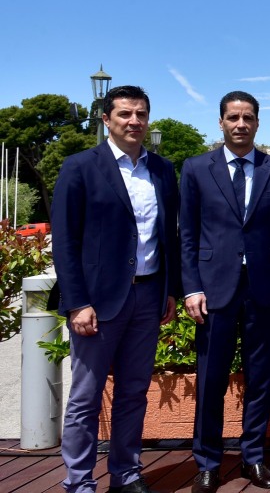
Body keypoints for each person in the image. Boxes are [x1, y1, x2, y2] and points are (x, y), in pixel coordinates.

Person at [52, 85, 180, 493]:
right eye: (124, 114)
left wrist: (170, 291)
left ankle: (126, 474)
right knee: (86, 398)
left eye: (141, 114)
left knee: (134, 392)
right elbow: (65, 241)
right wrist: (77, 302)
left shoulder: (161, 170)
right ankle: (79, 481)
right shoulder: (80, 167)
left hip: (147, 296)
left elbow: (169, 237)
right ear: (105, 119)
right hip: (97, 302)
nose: (134, 121)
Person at [181, 92, 270, 493]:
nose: (241, 124)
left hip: (263, 290)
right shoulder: (197, 169)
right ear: (221, 122)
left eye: (248, 117)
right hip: (214, 290)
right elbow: (187, 234)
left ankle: (253, 458)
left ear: (257, 122)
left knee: (261, 378)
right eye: (233, 117)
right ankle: (208, 464)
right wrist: (191, 287)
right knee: (211, 378)